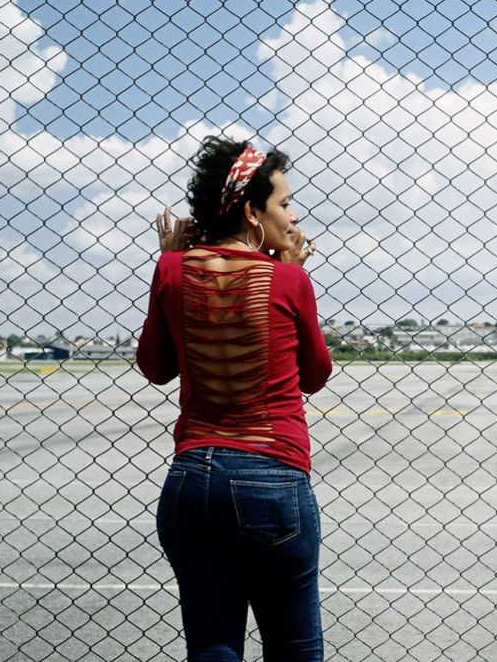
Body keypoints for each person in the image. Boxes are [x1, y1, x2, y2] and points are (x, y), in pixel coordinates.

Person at [138, 135, 332, 661]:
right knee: (293, 648)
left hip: (191, 478)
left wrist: (169, 261)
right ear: (251, 212)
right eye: (285, 204)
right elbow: (315, 375)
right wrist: (294, 270)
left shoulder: (173, 269)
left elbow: (155, 368)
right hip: (271, 476)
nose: (293, 218)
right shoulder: (288, 279)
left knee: (213, 644)